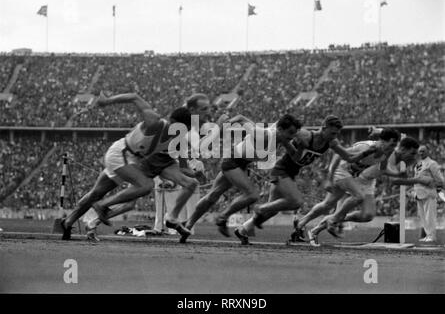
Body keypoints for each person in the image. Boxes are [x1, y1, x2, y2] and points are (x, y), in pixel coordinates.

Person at [60, 92, 198, 240]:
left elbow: (173, 164)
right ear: (172, 121)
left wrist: (193, 172)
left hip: (130, 160)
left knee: (96, 193)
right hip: (120, 154)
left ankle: (68, 222)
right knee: (146, 185)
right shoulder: (154, 122)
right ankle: (102, 205)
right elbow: (134, 97)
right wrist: (107, 101)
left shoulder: (177, 139)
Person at [234, 116, 379, 245]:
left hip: (291, 173)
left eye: (337, 133)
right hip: (282, 170)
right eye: (332, 132)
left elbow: (348, 157)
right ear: (323, 128)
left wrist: (365, 153)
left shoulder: (331, 143)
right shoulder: (304, 135)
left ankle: (243, 230)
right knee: (295, 201)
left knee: (273, 210)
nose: (334, 136)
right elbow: (282, 130)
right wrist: (280, 143)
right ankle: (260, 208)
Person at [180, 113, 303, 243]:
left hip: (240, 163)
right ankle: (223, 217)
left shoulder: (283, 139)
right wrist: (220, 129)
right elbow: (241, 118)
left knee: (213, 195)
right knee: (252, 195)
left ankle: (187, 225)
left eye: (294, 134)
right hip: (232, 161)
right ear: (281, 129)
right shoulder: (263, 134)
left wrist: (301, 146)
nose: (292, 137)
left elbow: (295, 156)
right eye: (290, 133)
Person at [307, 136, 424, 246]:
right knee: (335, 211)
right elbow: (392, 179)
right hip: (356, 179)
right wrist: (418, 180)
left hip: (368, 182)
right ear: (403, 149)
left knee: (367, 215)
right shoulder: (389, 153)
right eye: (412, 153)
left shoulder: (405, 158)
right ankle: (315, 230)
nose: (413, 156)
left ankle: (335, 219)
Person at [412, 145, 444, 243]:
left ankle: (432, 236)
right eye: (420, 151)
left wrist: (437, 186)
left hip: (429, 193)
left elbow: (439, 179)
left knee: (429, 216)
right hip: (418, 193)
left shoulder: (432, 163)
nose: (421, 153)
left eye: (423, 151)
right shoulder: (418, 164)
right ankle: (427, 235)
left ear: (427, 152)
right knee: (423, 217)